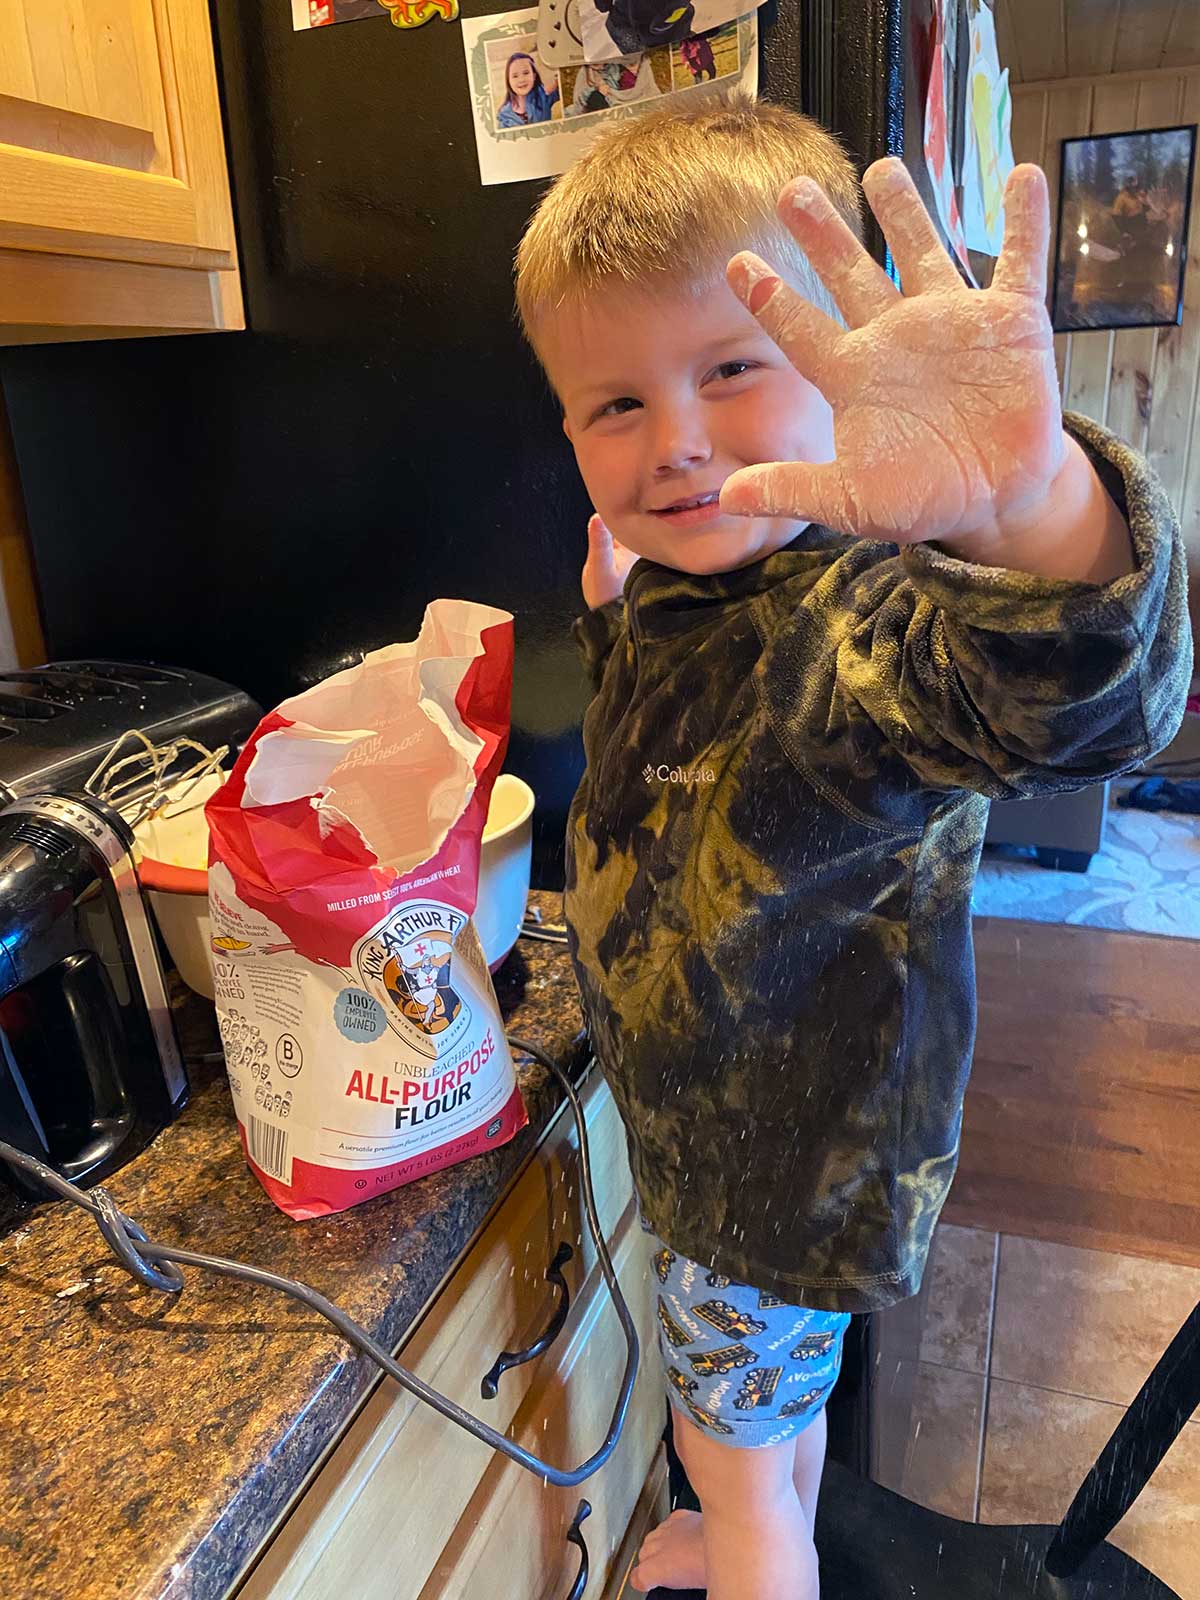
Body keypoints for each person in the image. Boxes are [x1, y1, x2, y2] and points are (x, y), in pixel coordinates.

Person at [514, 95, 1191, 1600]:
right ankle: (764, 1529)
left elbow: (1091, 700)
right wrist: (613, 602)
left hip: (773, 1173)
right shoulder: (680, 582)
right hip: (740, 1144)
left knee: (729, 1461)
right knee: (769, 1425)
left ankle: (756, 1556)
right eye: (614, 406)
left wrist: (1032, 507)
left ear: (836, 371)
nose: (675, 444)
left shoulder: (857, 631)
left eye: (734, 372)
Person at [569, 54, 661, 117]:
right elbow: (581, 107)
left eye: (633, 64)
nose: (633, 69)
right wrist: (598, 94)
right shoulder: (586, 74)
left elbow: (654, 97)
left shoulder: (642, 75)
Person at [496, 51, 559, 129]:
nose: (521, 80)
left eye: (526, 73)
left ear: (534, 75)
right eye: (515, 76)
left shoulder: (543, 96)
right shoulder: (504, 115)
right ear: (508, 80)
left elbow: (564, 87)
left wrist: (556, 81)